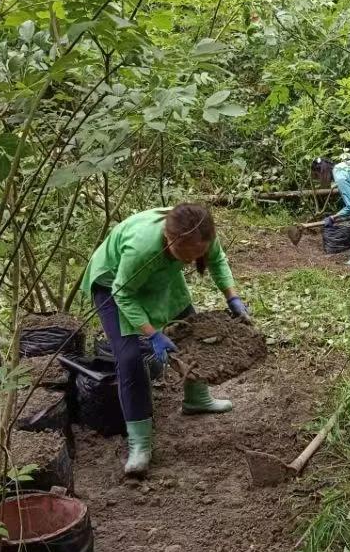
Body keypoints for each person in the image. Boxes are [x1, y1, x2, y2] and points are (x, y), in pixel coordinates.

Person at [80, 204, 251, 476]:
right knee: (131, 358)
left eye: (196, 255)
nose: (190, 261)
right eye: (186, 256)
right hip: (116, 283)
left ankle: (197, 398)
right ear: (170, 240)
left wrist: (233, 298)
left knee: (191, 332)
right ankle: (140, 444)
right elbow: (123, 294)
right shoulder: (142, 249)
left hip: (161, 275)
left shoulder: (201, 229)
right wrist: (153, 334)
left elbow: (217, 260)